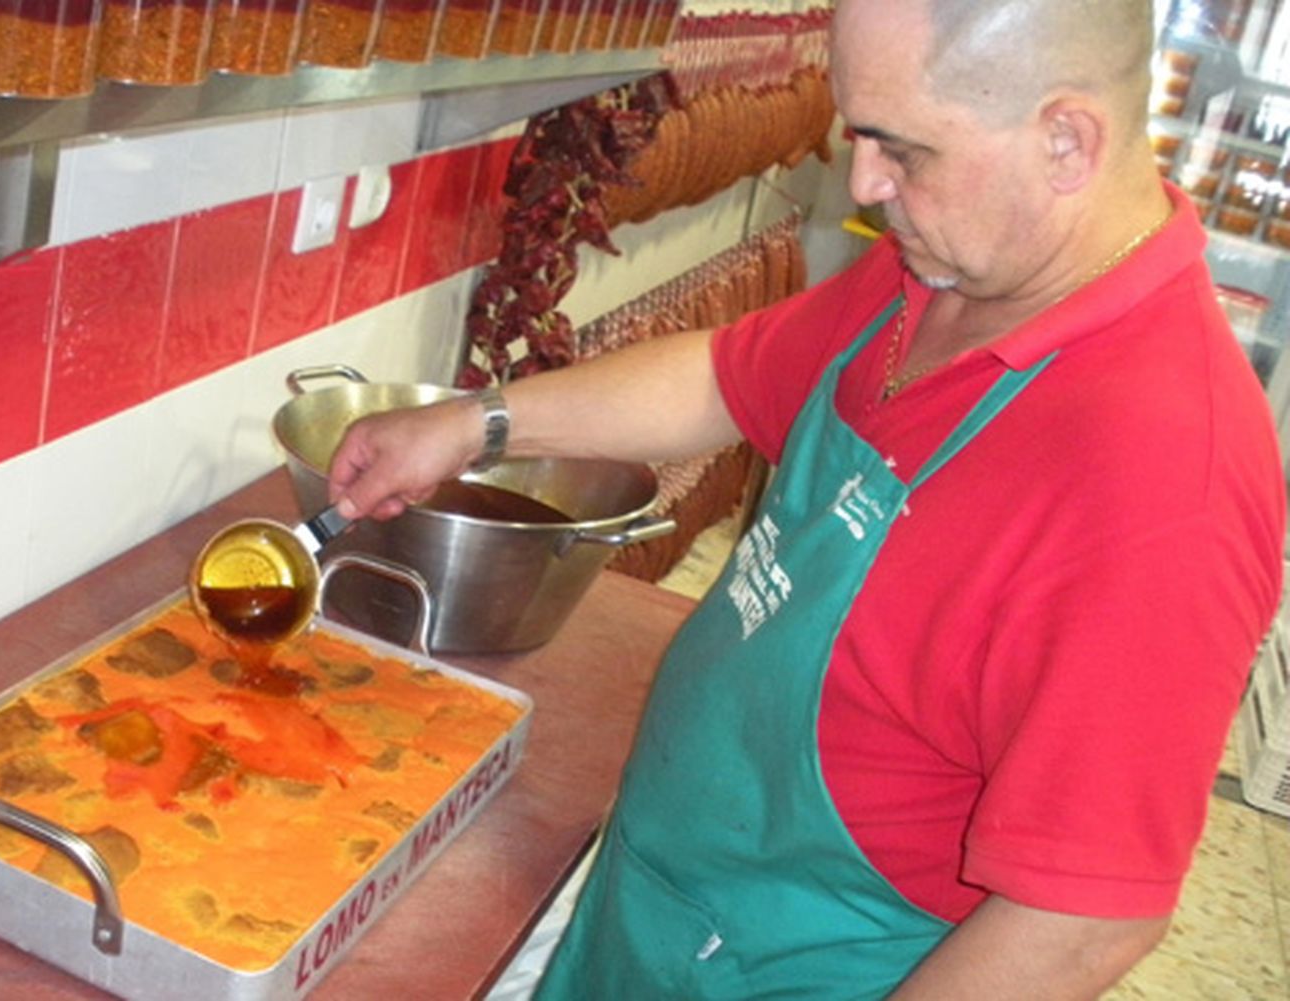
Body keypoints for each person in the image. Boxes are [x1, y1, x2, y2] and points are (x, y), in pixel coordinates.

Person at [327, 0, 1287, 996]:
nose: (863, 183)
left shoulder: (1162, 482)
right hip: (658, 902)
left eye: (902, 150)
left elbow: (1081, 923)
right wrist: (473, 424)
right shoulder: (949, 271)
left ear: (1066, 142)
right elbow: (726, 378)